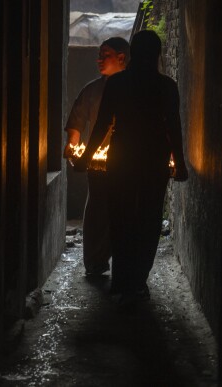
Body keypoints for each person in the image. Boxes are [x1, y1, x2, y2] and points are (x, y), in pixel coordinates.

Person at [74, 30, 188, 303]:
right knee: (148, 221)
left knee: (121, 218)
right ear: (157, 54)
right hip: (153, 158)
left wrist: (86, 157)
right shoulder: (166, 87)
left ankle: (123, 279)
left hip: (122, 157)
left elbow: (102, 125)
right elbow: (173, 128)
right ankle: (138, 280)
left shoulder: (118, 84)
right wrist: (179, 163)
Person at [63, 37, 130, 276]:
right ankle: (95, 261)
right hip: (99, 164)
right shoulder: (92, 90)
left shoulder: (134, 89)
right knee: (97, 211)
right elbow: (76, 123)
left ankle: (123, 263)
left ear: (122, 58)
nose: (99, 60)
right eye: (99, 54)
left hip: (127, 164)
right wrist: (73, 149)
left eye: (106, 55)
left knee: (123, 212)